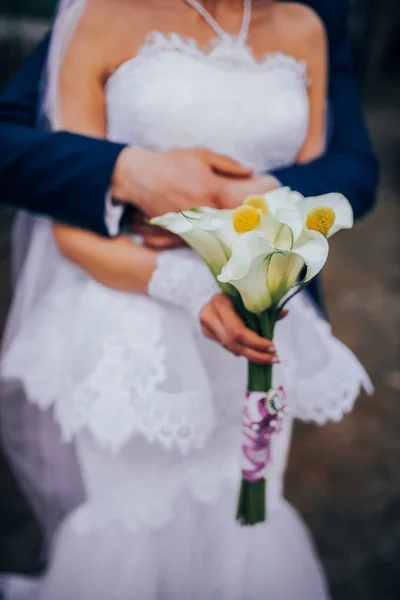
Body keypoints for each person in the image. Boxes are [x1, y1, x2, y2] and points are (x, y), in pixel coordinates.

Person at [0, 0, 376, 598]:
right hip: (134, 319)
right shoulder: (101, 16)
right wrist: (192, 283)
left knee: (247, 507)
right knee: (134, 521)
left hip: (259, 310)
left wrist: (244, 216)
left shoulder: (306, 25)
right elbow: (71, 229)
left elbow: (324, 190)